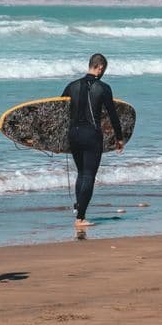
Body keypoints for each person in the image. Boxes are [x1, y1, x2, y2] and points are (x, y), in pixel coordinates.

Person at [62, 54, 124, 228]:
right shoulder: (103, 88)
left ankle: (79, 209)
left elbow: (58, 112)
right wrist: (119, 138)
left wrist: (58, 140)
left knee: (81, 173)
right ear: (100, 68)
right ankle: (80, 218)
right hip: (92, 135)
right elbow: (113, 115)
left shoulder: (71, 86)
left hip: (73, 135)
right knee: (88, 175)